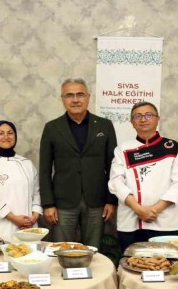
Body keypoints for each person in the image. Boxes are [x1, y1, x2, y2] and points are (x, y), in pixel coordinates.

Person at [38, 78, 118, 248]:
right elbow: (44, 169)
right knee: (61, 249)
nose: (75, 100)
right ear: (62, 99)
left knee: (93, 250)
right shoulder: (52, 128)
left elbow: (113, 166)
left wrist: (111, 200)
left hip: (97, 200)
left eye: (80, 94)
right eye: (69, 95)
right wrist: (48, 204)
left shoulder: (104, 125)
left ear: (88, 97)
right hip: (62, 202)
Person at [108, 102, 178, 252]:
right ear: (131, 122)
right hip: (130, 222)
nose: (143, 119)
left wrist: (154, 210)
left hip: (165, 221)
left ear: (158, 119)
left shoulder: (174, 147)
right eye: (137, 116)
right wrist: (138, 209)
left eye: (149, 115)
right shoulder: (122, 149)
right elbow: (115, 182)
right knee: (131, 262)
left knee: (165, 263)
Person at [0, 121, 42, 242]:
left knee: (28, 253)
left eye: (10, 133)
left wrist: (35, 214)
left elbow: (36, 191)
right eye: (1, 133)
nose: (6, 136)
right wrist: (13, 218)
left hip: (28, 225)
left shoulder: (26, 163)